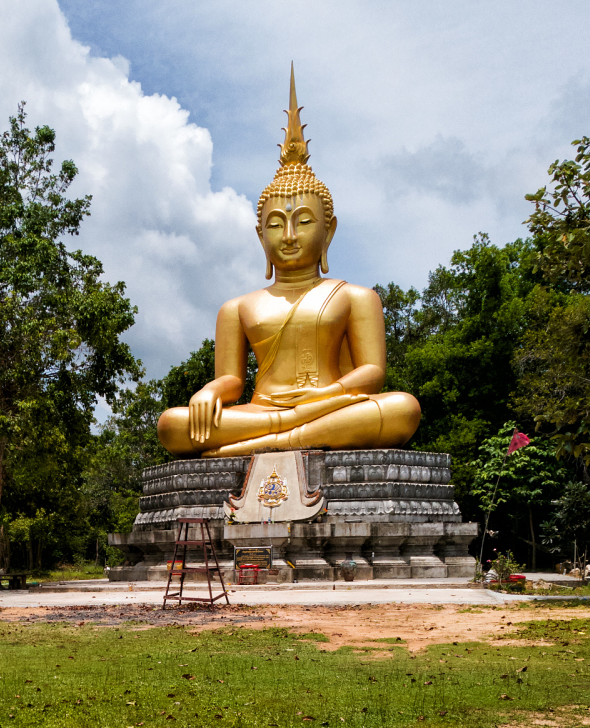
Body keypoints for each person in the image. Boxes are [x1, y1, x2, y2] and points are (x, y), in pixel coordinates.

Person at [157, 68, 421, 457]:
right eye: (276, 225)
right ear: (261, 235)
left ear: (328, 231)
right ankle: (285, 431)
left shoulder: (356, 297)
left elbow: (372, 375)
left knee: (404, 408)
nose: (291, 235)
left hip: (330, 404)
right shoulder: (237, 308)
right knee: (172, 424)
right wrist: (210, 390)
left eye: (304, 221)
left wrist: (324, 398)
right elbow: (231, 379)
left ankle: (273, 443)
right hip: (266, 411)